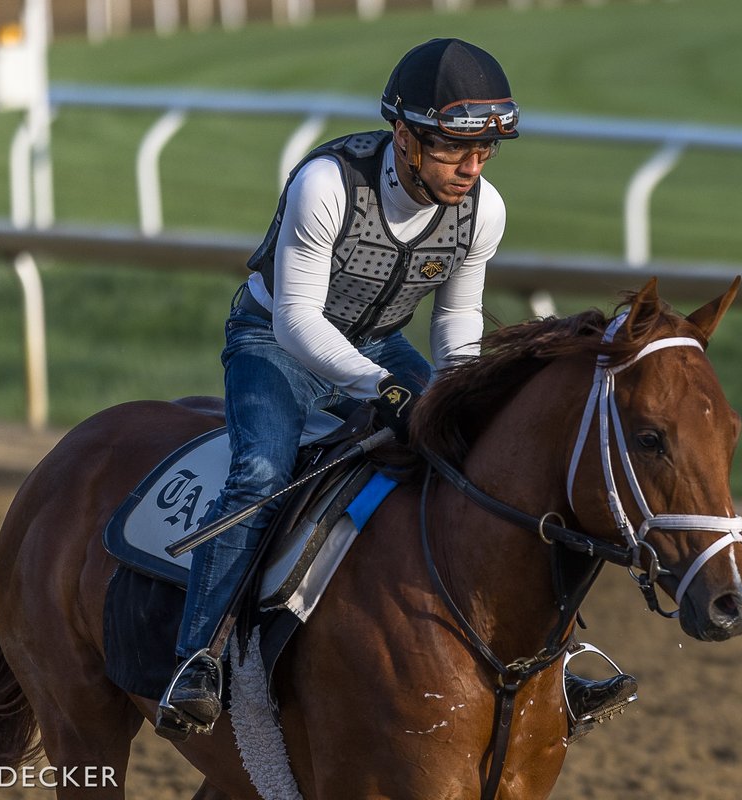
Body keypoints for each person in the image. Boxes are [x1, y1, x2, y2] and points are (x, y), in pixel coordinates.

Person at [156, 37, 636, 740]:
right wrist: (382, 387)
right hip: (275, 341)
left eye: (485, 151)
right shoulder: (325, 184)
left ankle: (549, 667)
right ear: (404, 137)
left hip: (379, 342)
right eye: (453, 149)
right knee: (260, 473)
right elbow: (296, 319)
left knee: (487, 459)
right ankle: (197, 659)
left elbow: (457, 317)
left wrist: (460, 393)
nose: (471, 168)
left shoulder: (484, 210)